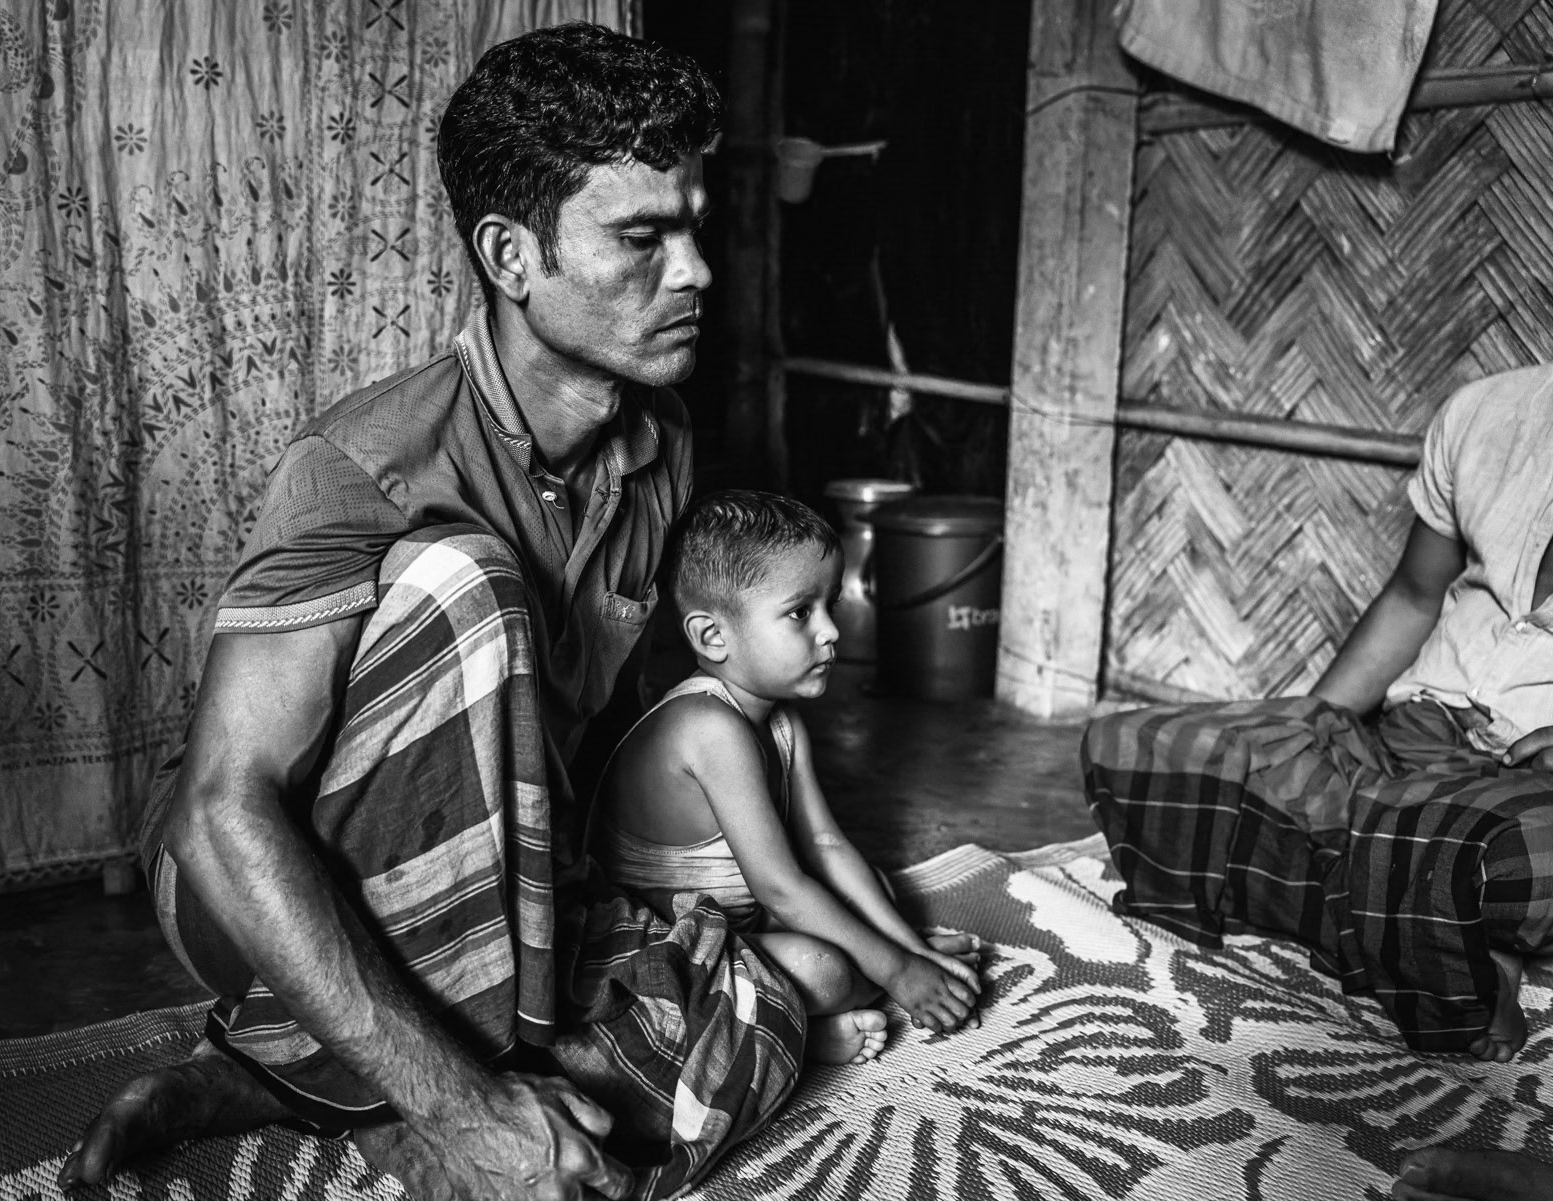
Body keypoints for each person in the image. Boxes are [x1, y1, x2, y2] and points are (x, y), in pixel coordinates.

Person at [58, 24, 807, 1201]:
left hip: (489, 866)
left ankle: (272, 1079)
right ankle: (420, 1092)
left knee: (747, 1018)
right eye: (641, 237)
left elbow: (586, 736)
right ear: (512, 257)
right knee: (464, 581)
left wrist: (666, 905)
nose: (698, 271)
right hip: (249, 887)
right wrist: (463, 1106)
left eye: (694, 226)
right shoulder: (364, 462)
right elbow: (219, 811)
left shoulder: (658, 446)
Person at [1082, 364, 1553, 1070]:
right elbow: (1414, 596)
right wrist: (1309, 728)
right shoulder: (1491, 409)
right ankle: (1431, 917)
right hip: (1421, 733)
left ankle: (1419, 909)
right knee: (1153, 748)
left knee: (1497, 843)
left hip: (1533, 779)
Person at [589, 491, 985, 1069]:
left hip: (737, 923)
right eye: (801, 612)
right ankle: (802, 1040)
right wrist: (898, 972)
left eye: (831, 605)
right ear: (712, 637)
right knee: (826, 969)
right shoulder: (706, 726)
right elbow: (781, 889)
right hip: (666, 957)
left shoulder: (782, 720)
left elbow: (825, 846)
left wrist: (908, 947)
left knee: (869, 887)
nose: (831, 632)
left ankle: (790, 1016)